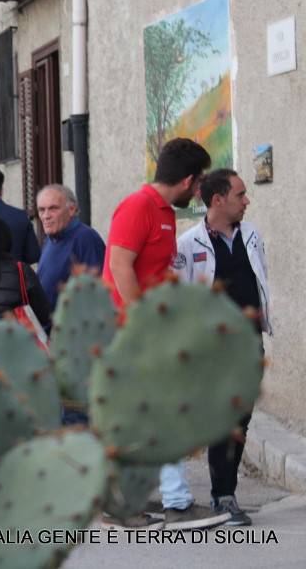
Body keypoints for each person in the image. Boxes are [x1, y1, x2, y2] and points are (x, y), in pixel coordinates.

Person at [101, 137, 226, 530]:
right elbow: (120, 266)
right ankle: (167, 502)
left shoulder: (166, 213)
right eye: (201, 181)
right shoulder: (138, 206)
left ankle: (151, 501)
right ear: (188, 180)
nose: (201, 188)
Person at [173, 169, 269, 527]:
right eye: (240, 194)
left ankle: (224, 493)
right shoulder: (189, 245)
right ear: (217, 200)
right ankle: (223, 496)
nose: (247, 200)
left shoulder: (253, 235)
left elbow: (260, 281)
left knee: (239, 422)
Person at [35, 184, 106, 310]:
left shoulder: (85, 238)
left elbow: (97, 292)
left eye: (53, 208)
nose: (46, 216)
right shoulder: (51, 238)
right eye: (41, 210)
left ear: (72, 209)